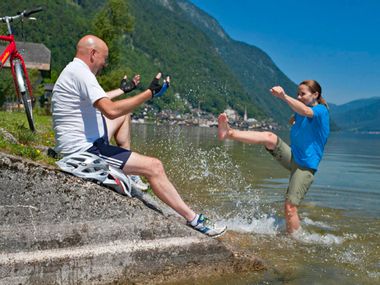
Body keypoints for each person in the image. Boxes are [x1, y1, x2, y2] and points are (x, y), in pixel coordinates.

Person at [52, 35, 226, 237]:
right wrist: (147, 94)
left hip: (83, 141)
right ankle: (195, 220)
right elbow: (110, 111)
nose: (105, 64)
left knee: (126, 114)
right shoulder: (82, 74)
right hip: (87, 150)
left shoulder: (74, 70)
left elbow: (101, 99)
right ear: (93, 54)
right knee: (155, 167)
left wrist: (125, 90)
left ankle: (130, 172)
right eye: (104, 58)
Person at [218, 80, 329, 234]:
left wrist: (283, 96)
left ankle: (295, 242)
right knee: (270, 137)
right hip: (293, 157)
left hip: (305, 166)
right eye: (298, 93)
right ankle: (229, 133)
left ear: (315, 94)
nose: (299, 96)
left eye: (302, 94)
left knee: (290, 207)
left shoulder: (321, 110)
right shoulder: (301, 111)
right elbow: (300, 113)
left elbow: (306, 112)